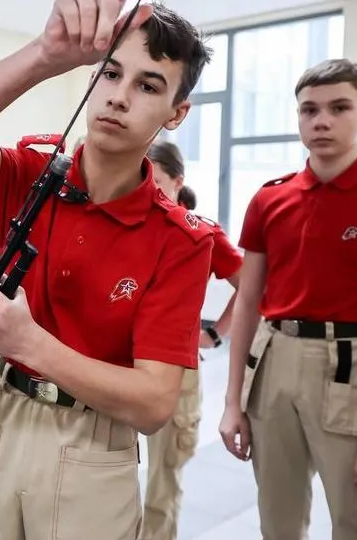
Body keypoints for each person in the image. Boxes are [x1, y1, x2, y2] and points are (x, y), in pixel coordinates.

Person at [0, 2, 215, 538]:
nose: (118, 96)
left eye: (149, 86)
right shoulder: (33, 173)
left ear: (177, 111)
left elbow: (152, 403)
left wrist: (29, 343)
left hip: (92, 445)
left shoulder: (180, 239)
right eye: (110, 73)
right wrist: (45, 55)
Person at [220, 59, 357, 540]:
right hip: (273, 360)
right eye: (309, 110)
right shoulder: (270, 199)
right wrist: (232, 402)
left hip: (353, 365)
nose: (321, 120)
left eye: (338, 108)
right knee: (277, 519)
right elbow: (247, 302)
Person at [140, 141, 242, 540]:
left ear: (178, 182)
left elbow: (252, 284)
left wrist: (215, 333)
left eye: (158, 181)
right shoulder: (125, 226)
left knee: (163, 482)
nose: (148, 190)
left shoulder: (199, 232)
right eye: (141, 180)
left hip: (174, 369)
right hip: (115, 364)